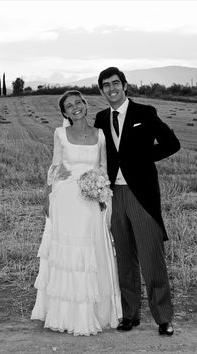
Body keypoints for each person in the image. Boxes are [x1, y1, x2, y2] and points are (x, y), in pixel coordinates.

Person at [94, 67, 180, 336]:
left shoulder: (145, 112)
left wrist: (142, 158)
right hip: (113, 196)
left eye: (115, 83)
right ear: (101, 91)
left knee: (151, 257)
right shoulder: (99, 119)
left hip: (140, 195)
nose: (112, 89)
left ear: (125, 85)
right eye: (106, 85)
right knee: (124, 261)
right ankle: (129, 314)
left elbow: (172, 143)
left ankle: (163, 317)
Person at [31, 90, 122, 336]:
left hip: (91, 198)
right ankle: (66, 314)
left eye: (78, 102)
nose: (75, 107)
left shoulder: (100, 135)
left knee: (90, 252)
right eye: (69, 106)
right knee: (68, 254)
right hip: (66, 199)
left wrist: (99, 186)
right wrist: (49, 196)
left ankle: (91, 313)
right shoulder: (60, 133)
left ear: (85, 104)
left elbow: (103, 167)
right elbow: (55, 165)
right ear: (64, 113)